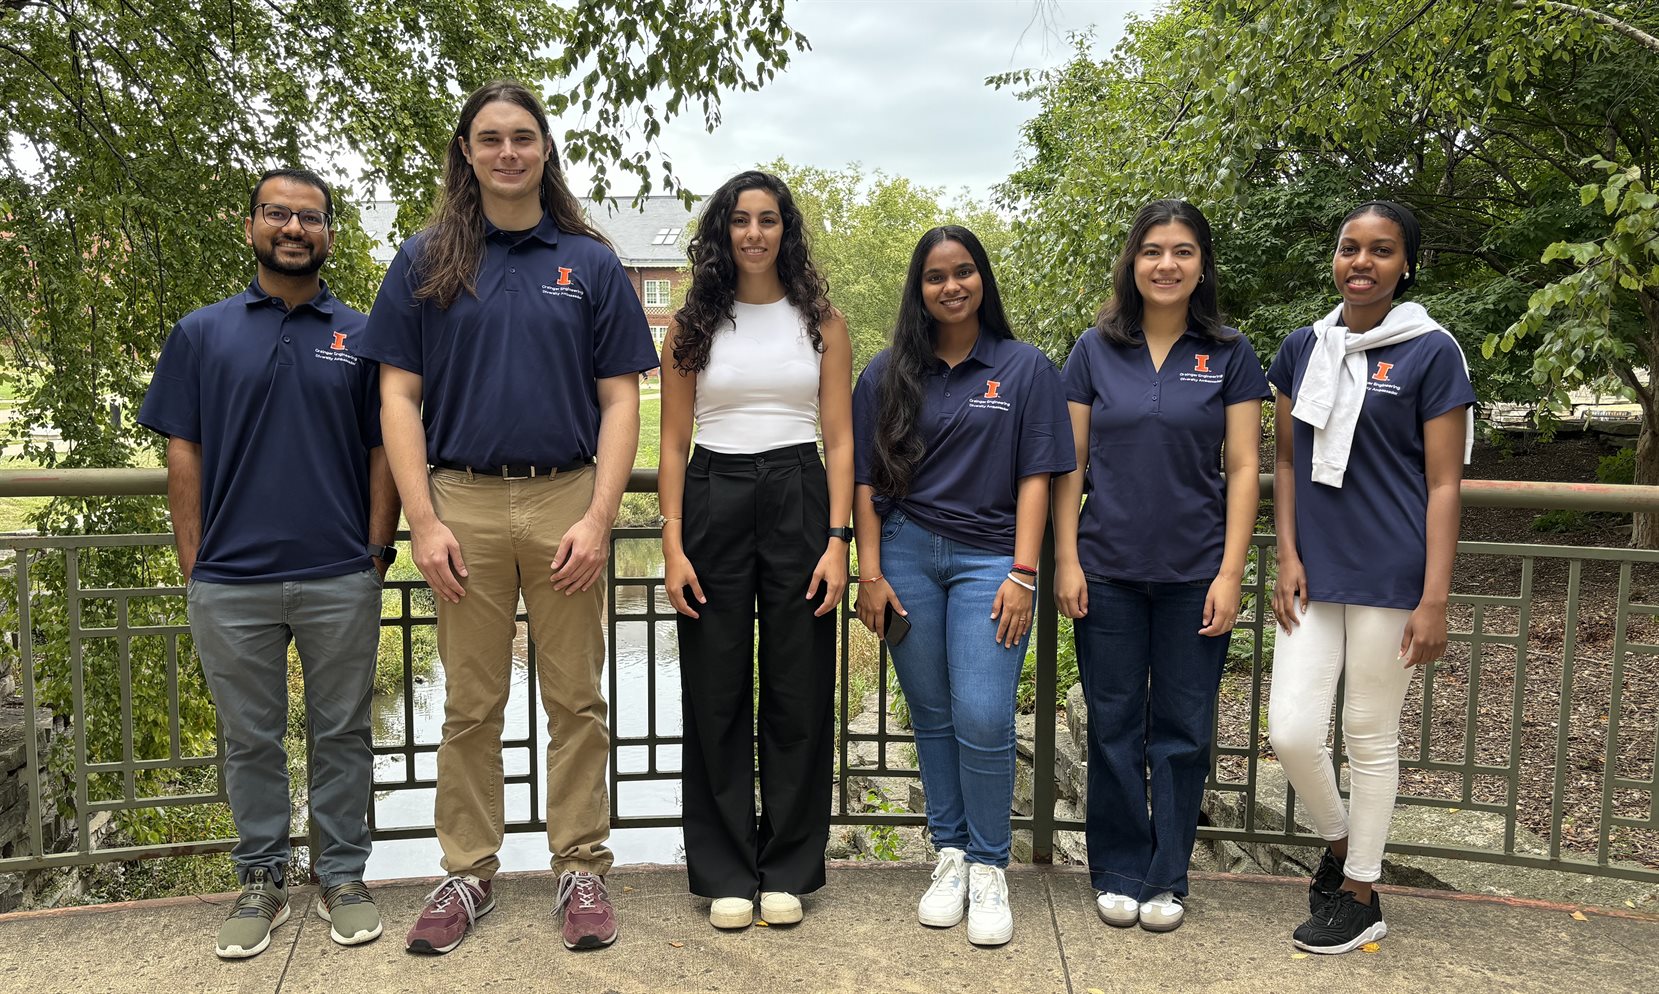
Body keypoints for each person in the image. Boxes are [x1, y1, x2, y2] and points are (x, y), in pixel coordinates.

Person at [355, 80, 658, 955]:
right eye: (489, 138)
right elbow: (397, 396)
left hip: (568, 496)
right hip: (462, 503)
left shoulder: (590, 262)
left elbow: (620, 400)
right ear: (467, 152)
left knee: (576, 699)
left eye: (523, 136)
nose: (508, 152)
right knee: (470, 706)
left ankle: (580, 869)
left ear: (545, 150)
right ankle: (467, 871)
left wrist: (602, 516)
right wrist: (423, 518)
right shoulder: (424, 260)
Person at [139, 167, 400, 959]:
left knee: (344, 733)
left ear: (329, 233)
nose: (294, 228)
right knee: (249, 740)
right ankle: (260, 879)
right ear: (251, 225)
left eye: (310, 218)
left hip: (337, 574)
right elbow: (184, 449)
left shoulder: (362, 336)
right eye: (277, 215)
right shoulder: (202, 332)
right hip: (230, 581)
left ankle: (343, 877)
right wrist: (194, 563)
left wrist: (376, 552)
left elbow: (381, 451)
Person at [852, 226, 1075, 947]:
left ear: (982, 279)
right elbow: (863, 482)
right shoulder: (885, 374)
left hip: (990, 560)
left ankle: (989, 864)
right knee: (933, 714)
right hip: (907, 556)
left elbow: (1037, 474)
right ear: (918, 289)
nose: (951, 286)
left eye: (963, 272)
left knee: (982, 714)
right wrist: (872, 572)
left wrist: (1022, 569)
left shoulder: (1023, 368)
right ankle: (948, 853)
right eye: (935, 276)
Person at [1051, 200, 1268, 933]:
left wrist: (1230, 573)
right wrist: (1065, 558)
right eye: (1151, 250)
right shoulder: (1092, 349)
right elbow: (1068, 467)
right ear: (1132, 262)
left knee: (1181, 729)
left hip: (1193, 574)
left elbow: (1243, 467)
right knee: (1111, 725)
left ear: (1201, 263)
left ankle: (1166, 876)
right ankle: (1115, 866)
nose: (1165, 264)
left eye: (1181, 251)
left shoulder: (1229, 352)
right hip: (1105, 569)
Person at [1266, 200, 1474, 954]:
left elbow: (1445, 483)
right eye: (1349, 247)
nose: (1361, 262)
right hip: (1313, 573)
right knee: (1289, 731)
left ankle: (1358, 894)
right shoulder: (1301, 348)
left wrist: (1434, 597)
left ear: (1405, 264)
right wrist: (1286, 555)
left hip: (1392, 572)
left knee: (1367, 737)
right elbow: (1287, 461)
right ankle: (1340, 847)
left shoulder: (1430, 351)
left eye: (1380, 250)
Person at [657, 170, 853, 930]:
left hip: (800, 493)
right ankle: (724, 871)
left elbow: (839, 440)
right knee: (715, 686)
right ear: (721, 232)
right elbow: (672, 444)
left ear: (786, 231)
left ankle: (791, 868)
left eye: (768, 220)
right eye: (739, 220)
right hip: (713, 494)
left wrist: (837, 541)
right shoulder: (692, 324)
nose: (753, 233)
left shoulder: (821, 321)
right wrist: (672, 543)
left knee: (798, 684)